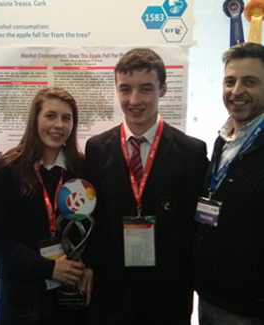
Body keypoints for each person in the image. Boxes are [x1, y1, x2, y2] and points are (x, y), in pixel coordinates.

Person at [84, 48, 208, 324]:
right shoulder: (97, 148)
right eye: (125, 89)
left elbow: (193, 227)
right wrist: (90, 267)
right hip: (113, 290)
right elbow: (94, 218)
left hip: (168, 292)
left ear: (163, 89)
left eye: (146, 89)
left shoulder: (191, 152)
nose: (134, 100)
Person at [0, 87, 92, 325]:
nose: (59, 125)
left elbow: (95, 226)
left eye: (66, 118)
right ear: (35, 119)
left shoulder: (82, 170)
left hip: (71, 291)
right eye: (50, 116)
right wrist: (47, 268)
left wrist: (91, 267)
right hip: (22, 293)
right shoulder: (8, 170)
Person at [194, 42, 264, 324]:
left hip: (251, 308)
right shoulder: (223, 139)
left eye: (250, 82)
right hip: (211, 298)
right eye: (230, 81)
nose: (236, 91)